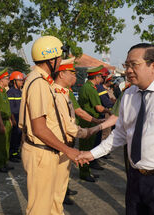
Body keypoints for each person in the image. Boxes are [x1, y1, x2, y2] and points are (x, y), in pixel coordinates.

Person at [77, 43, 154, 214]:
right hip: (135, 178)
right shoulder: (129, 95)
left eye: (134, 65)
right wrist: (91, 154)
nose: (128, 70)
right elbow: (120, 134)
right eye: (127, 65)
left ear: (153, 66)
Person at [18, 36, 83, 214]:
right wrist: (68, 150)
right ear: (51, 59)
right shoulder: (39, 83)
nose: (61, 61)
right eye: (59, 58)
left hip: (44, 151)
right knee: (40, 208)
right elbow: (39, 129)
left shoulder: (40, 80)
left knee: (52, 205)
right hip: (41, 152)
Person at [52, 62, 102, 209]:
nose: (75, 76)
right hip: (66, 134)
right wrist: (96, 121)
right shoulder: (59, 91)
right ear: (62, 74)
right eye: (72, 73)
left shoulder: (66, 91)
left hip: (70, 132)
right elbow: (79, 111)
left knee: (65, 167)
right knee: (60, 167)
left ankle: (64, 190)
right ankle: (61, 193)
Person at [77, 66, 111, 182]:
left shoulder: (87, 87)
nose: (101, 79)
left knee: (88, 148)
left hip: (87, 121)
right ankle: (84, 172)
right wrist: (109, 111)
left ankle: (87, 171)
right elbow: (99, 108)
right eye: (101, 77)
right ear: (96, 77)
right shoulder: (91, 89)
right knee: (86, 149)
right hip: (90, 122)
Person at [7, 71, 24, 163]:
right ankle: (12, 154)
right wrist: (13, 120)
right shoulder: (10, 92)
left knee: (19, 137)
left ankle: (16, 153)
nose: (22, 82)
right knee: (14, 137)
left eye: (22, 80)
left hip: (20, 118)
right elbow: (10, 108)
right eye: (20, 80)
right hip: (15, 118)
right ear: (14, 81)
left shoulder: (20, 92)